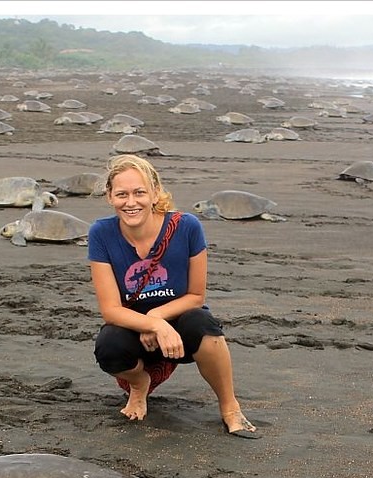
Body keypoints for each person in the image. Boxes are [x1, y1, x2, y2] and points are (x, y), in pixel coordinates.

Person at [87, 154, 261, 438]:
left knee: (203, 325)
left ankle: (230, 407)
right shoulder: (101, 233)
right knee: (109, 346)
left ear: (155, 192)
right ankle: (140, 383)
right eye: (122, 194)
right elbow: (110, 310)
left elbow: (195, 295)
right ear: (109, 197)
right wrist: (151, 325)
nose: (131, 202)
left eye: (140, 192)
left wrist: (157, 316)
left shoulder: (186, 227)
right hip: (135, 329)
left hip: (180, 329)